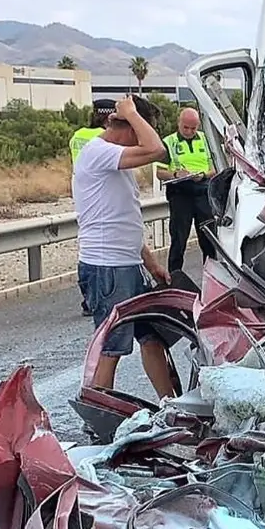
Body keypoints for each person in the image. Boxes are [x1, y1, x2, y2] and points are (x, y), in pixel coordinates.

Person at [74, 95, 175, 397]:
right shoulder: (99, 153)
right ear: (131, 127)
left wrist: (151, 262)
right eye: (141, 126)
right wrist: (132, 113)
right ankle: (100, 416)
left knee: (152, 338)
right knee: (112, 347)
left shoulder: (115, 161)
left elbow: (123, 217)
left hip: (127, 264)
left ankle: (173, 406)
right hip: (107, 267)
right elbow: (157, 149)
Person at [69, 99, 116, 316]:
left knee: (87, 241)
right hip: (102, 189)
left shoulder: (77, 135)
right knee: (103, 243)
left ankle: (87, 297)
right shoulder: (102, 138)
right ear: (109, 117)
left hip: (82, 189)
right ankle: (99, 297)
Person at [156, 107, 216, 274]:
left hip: (203, 193)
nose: (189, 131)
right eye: (186, 127)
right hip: (180, 195)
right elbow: (159, 173)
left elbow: (216, 168)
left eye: (193, 128)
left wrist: (203, 175)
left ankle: (211, 279)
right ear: (179, 123)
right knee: (179, 240)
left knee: (209, 241)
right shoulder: (168, 142)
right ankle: (175, 278)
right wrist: (176, 174)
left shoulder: (206, 140)